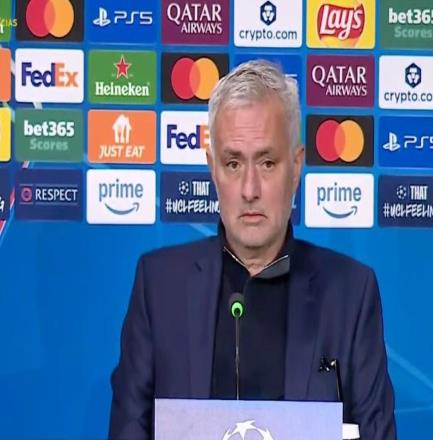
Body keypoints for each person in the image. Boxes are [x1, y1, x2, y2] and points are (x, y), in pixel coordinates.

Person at [109, 60, 396, 439]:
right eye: (233, 163)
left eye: (267, 162)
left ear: (296, 167)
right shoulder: (160, 286)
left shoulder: (350, 294)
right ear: (213, 168)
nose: (249, 189)